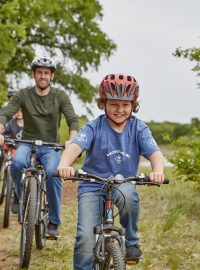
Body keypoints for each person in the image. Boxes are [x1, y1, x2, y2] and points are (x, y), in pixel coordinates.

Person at [57, 73, 165, 269]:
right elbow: (75, 146)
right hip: (92, 184)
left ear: (133, 104)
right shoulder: (94, 126)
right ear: (103, 103)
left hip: (122, 181)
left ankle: (131, 241)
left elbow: (155, 152)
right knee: (85, 237)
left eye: (125, 105)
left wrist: (157, 170)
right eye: (114, 104)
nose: (119, 110)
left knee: (129, 196)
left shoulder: (139, 128)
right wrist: (64, 165)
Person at [0, 56, 79, 238]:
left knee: (54, 173)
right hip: (26, 142)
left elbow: (72, 119)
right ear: (34, 75)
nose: (43, 76)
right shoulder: (23, 94)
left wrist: (72, 139)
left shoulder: (60, 95)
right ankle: (19, 196)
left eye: (46, 73)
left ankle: (53, 222)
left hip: (51, 146)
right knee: (17, 162)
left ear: (52, 76)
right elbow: (6, 113)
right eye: (39, 72)